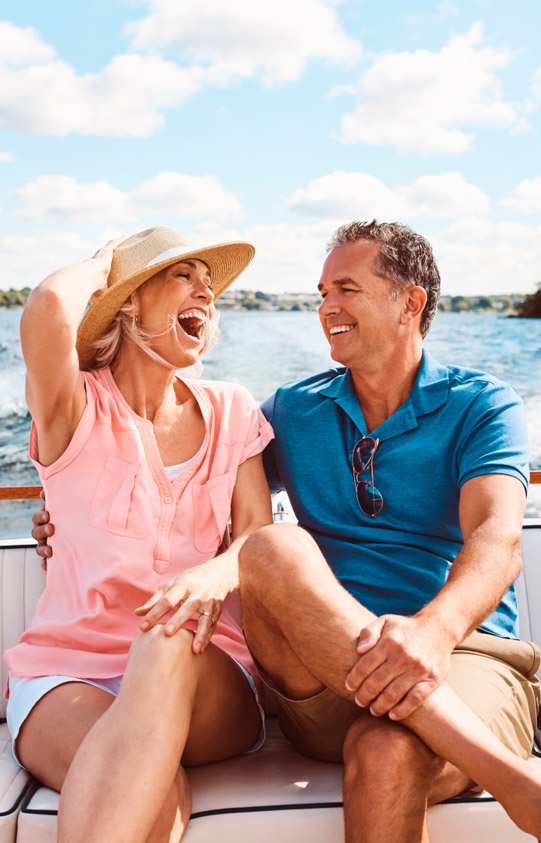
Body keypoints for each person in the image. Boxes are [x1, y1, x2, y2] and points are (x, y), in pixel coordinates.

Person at [236, 221, 541, 842]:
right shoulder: (293, 409)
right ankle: (512, 780)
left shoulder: (483, 406)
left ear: (410, 303)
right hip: (323, 678)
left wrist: (432, 632)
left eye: (346, 289)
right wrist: (72, 523)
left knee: (386, 750)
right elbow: (193, 487)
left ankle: (481, 752)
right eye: (323, 292)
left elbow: (497, 537)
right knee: (271, 545)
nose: (326, 307)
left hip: (463, 656)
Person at [6, 226, 273, 843]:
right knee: (152, 793)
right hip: (67, 672)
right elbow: (48, 308)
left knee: (167, 640)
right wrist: (104, 265)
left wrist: (217, 572)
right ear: (128, 301)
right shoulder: (74, 407)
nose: (206, 294)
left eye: (210, 285)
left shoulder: (233, 409)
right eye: (184, 276)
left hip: (205, 667)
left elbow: (257, 534)